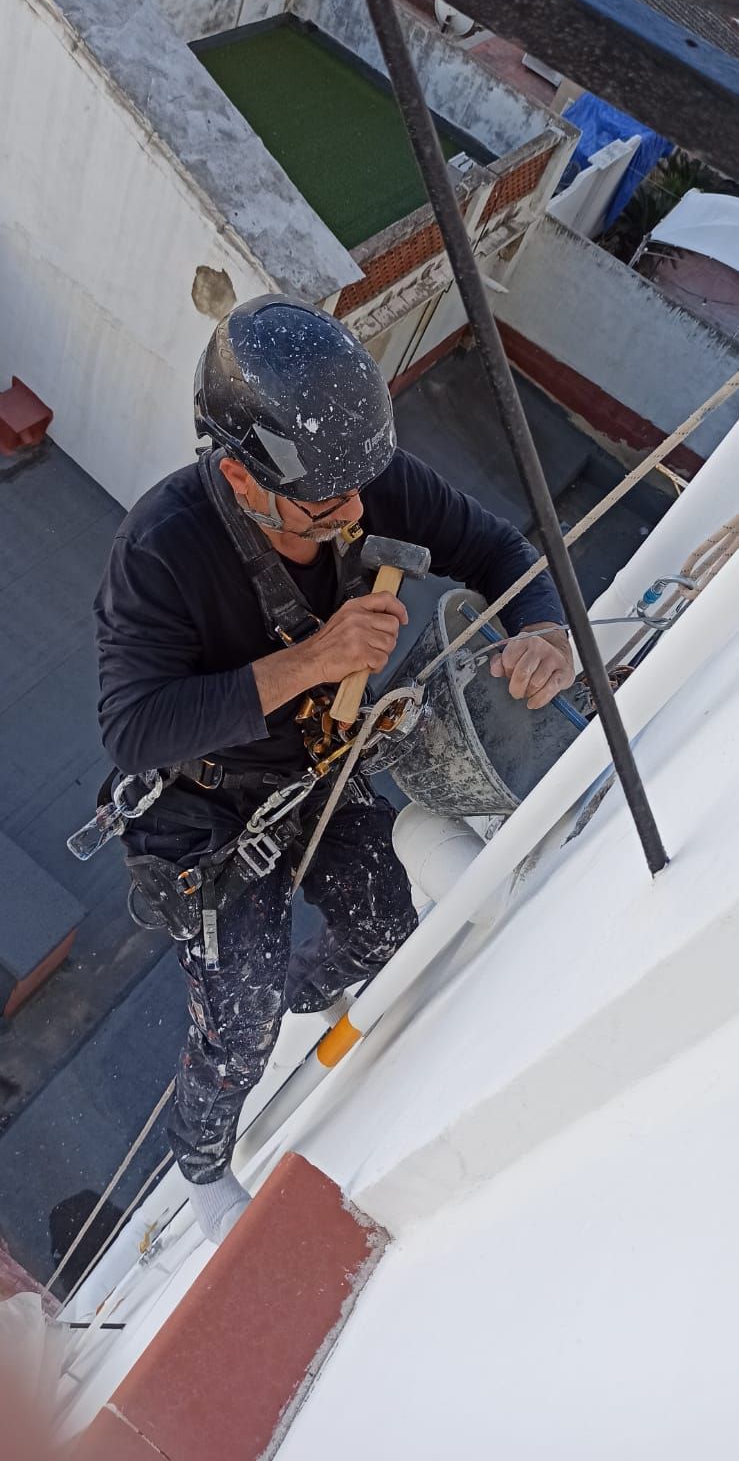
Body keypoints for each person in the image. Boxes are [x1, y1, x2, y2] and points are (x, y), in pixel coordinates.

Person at [94, 296, 574, 1243]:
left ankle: (300, 998)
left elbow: (499, 548)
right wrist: (312, 660)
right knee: (235, 1022)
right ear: (240, 476)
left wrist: (543, 627)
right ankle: (198, 1161)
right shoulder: (162, 550)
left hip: (312, 763)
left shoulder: (353, 475)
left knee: (385, 918)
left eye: (360, 489)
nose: (354, 512)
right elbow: (134, 728)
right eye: (324, 506)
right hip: (202, 804)